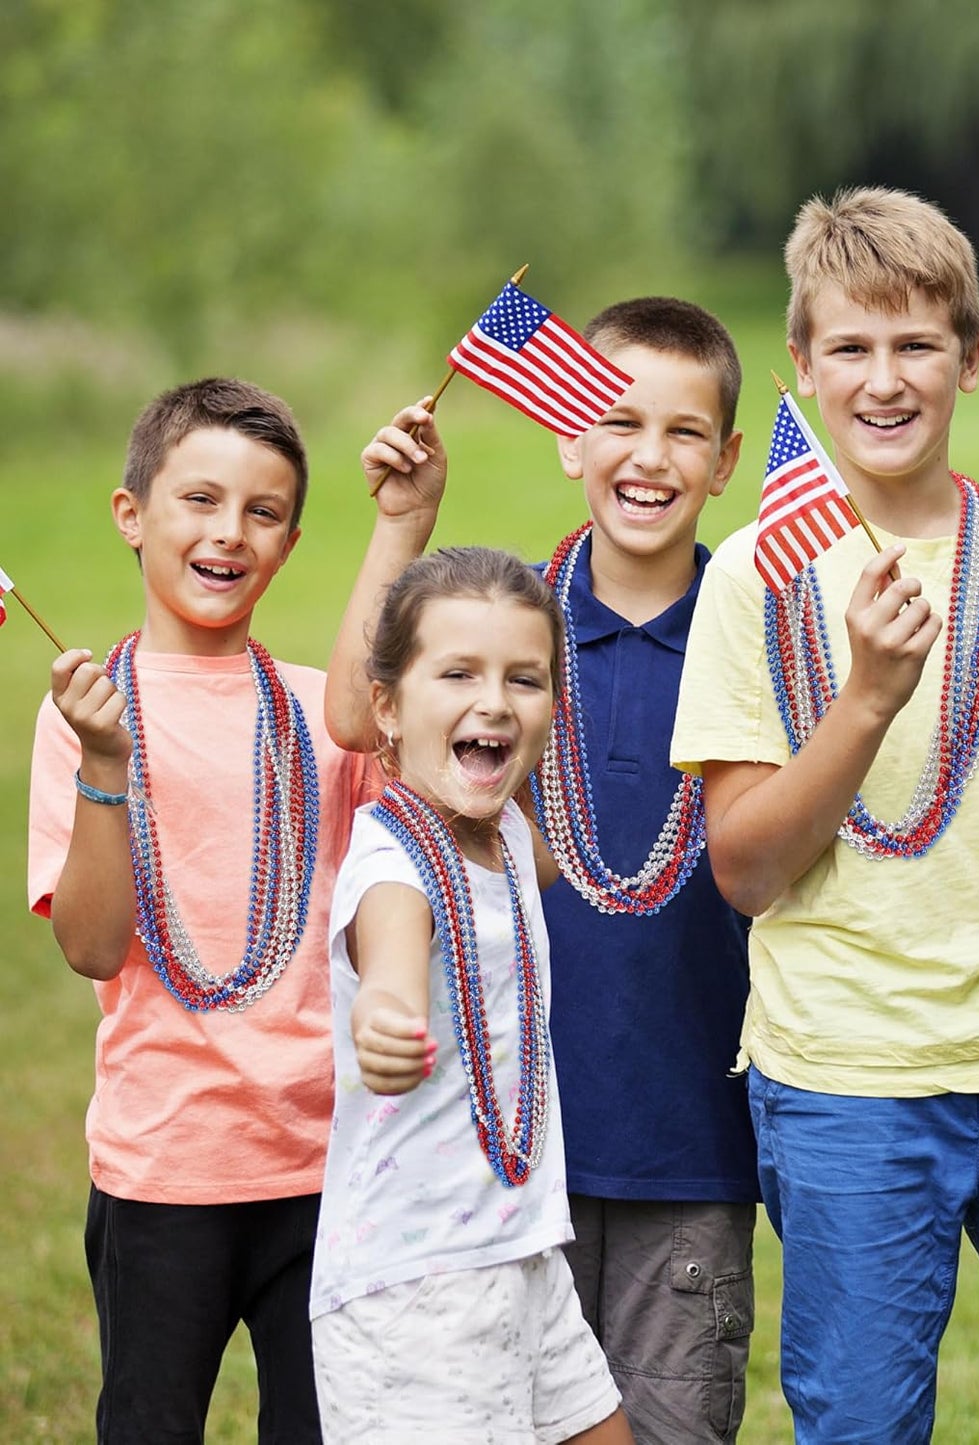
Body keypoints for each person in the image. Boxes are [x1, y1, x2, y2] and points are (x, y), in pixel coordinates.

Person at [670, 186, 979, 1443]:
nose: (883, 378)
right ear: (800, 369)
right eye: (849, 348)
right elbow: (745, 869)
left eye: (916, 344)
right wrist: (863, 697)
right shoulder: (756, 572)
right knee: (859, 1416)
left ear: (971, 360)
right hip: (844, 1076)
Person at [324, 297, 758, 1445]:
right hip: (503, 1160)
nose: (646, 456)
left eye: (682, 432)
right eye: (614, 419)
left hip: (688, 1138)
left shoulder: (756, 619)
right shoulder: (510, 628)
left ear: (724, 462)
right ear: (566, 435)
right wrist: (400, 527)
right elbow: (356, 716)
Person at [26, 377, 374, 1443]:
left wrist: (401, 521)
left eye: (262, 512)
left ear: (291, 540)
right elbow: (91, 945)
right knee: (148, 1419)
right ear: (133, 514)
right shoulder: (82, 717)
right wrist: (106, 767)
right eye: (200, 500)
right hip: (162, 1164)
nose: (229, 533)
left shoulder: (329, 711)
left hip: (323, 1163)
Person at [309, 546, 633, 1443]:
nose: (493, 700)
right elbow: (391, 956)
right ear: (387, 706)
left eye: (523, 679)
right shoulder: (391, 862)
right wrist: (383, 1016)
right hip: (416, 1288)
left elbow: (538, 873)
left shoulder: (507, 832)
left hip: (523, 1253)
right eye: (457, 673)